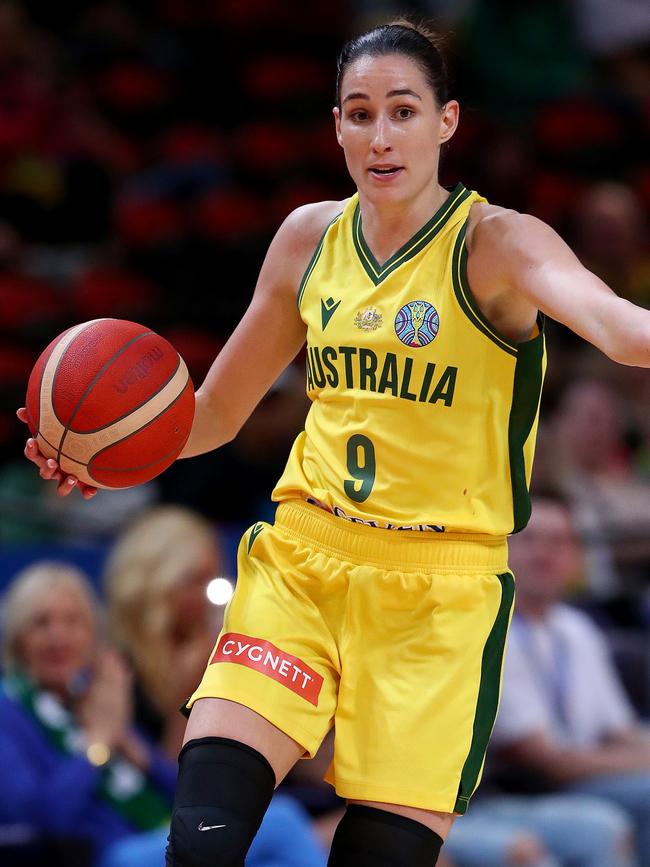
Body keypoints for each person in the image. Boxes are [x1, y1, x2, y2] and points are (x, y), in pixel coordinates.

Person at [18, 19, 650, 867]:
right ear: (338, 125)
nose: (380, 136)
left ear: (447, 121)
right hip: (306, 562)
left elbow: (616, 327)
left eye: (402, 111)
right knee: (200, 844)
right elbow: (212, 414)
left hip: (440, 594)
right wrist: (99, 447)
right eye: (360, 113)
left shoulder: (496, 243)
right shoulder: (308, 240)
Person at [491, 494, 650, 865]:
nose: (544, 554)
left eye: (558, 542)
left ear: (576, 560)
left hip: (588, 770)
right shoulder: (488, 631)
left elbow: (619, 730)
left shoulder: (577, 629)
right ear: (502, 548)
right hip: (519, 790)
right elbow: (545, 761)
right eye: (530, 540)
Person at [0, 561, 177, 867]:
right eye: (41, 623)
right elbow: (39, 819)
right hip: (106, 856)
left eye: (73, 622)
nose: (59, 637)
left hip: (156, 840)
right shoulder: (8, 714)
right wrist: (98, 746)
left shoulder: (90, 700)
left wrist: (136, 751)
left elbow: (186, 795)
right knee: (278, 822)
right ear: (18, 639)